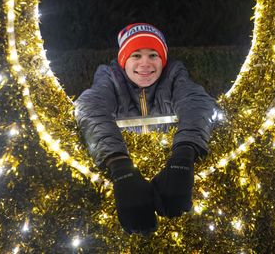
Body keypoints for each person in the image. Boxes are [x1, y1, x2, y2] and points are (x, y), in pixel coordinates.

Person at [75, 23, 218, 235]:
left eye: (153, 55)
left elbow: (197, 103)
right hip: (123, 188)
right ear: (124, 60)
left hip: (167, 179)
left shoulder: (174, 75)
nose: (145, 63)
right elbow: (90, 107)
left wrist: (184, 155)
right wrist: (119, 165)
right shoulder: (110, 78)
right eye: (136, 55)